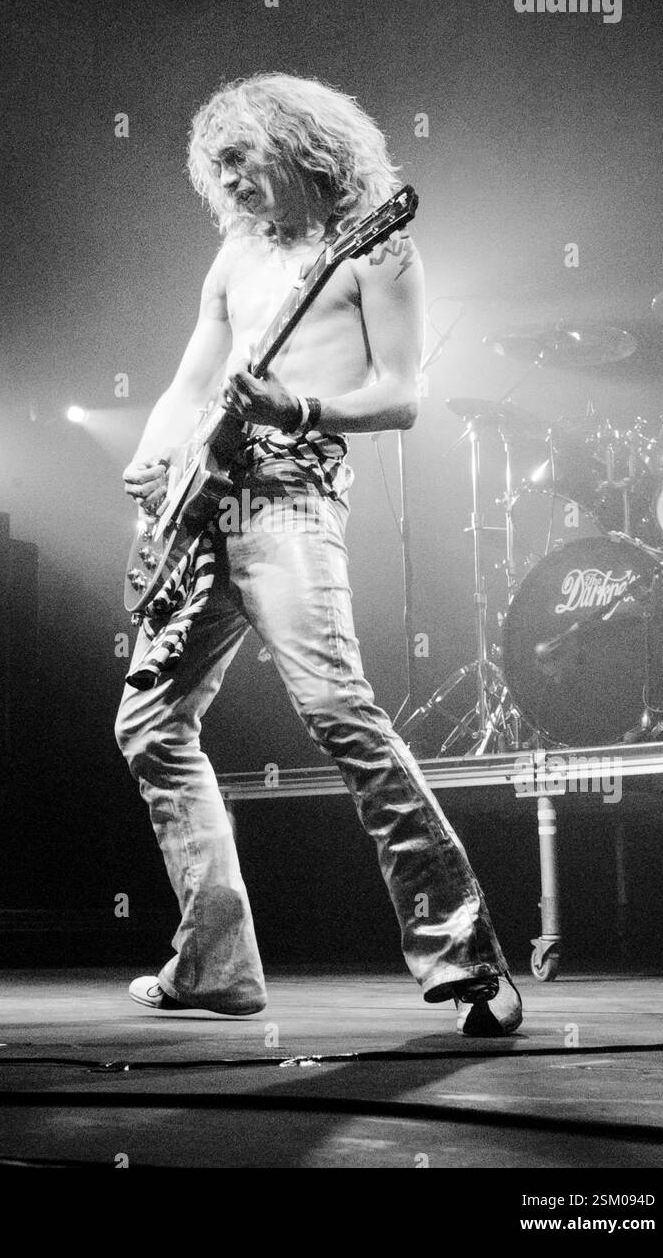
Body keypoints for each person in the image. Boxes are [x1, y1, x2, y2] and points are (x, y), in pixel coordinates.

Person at [115, 73, 521, 1036]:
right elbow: (191, 378)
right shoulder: (233, 256)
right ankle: (215, 965)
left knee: (341, 712)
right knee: (148, 727)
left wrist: (297, 408)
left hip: (290, 502)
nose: (224, 178)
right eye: (211, 165)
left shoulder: (376, 249)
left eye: (238, 156)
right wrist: (151, 457)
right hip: (200, 509)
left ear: (300, 147)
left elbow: (401, 394)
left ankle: (468, 961)